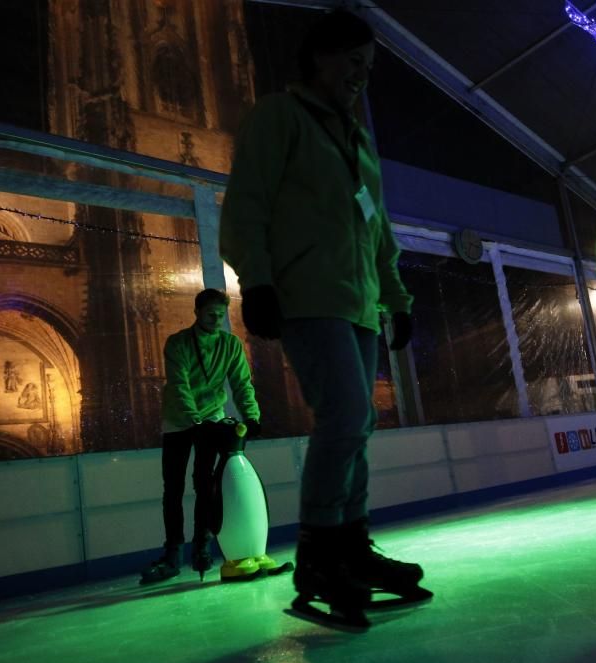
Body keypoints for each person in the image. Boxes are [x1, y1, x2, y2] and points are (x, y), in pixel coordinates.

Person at [220, 9, 431, 629]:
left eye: (368, 66)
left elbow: (378, 231)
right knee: (342, 418)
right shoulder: (278, 119)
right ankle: (317, 554)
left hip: (359, 303)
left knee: (357, 426)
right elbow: (248, 204)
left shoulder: (358, 142)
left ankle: (351, 544)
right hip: (307, 297)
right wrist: (256, 281)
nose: (361, 75)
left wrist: (397, 299)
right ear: (319, 58)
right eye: (352, 61)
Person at [140, 288, 285, 583]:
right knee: (174, 488)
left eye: (221, 314)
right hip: (179, 421)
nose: (217, 319)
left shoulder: (230, 345)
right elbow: (179, 385)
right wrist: (195, 420)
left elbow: (242, 382)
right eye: (211, 313)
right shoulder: (178, 343)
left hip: (212, 419)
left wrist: (253, 416)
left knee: (206, 485)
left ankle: (203, 548)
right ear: (197, 312)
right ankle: (172, 555)